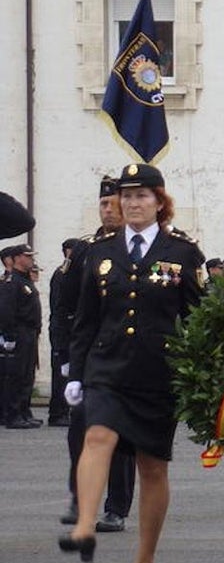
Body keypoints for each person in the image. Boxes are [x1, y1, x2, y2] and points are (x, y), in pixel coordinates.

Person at [59, 163, 205, 563]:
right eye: (126, 196)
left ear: (160, 202)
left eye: (142, 195)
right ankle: (86, 521)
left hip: (158, 374)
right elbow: (86, 319)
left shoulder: (183, 252)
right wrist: (76, 370)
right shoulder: (99, 254)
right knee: (97, 436)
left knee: (152, 467)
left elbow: (197, 318)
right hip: (108, 368)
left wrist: (205, 376)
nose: (132, 203)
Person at [57, 176, 138, 531]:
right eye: (103, 204)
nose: (108, 210)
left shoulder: (141, 248)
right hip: (90, 355)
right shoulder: (86, 250)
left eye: (113, 203)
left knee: (121, 434)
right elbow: (65, 308)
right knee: (79, 430)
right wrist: (64, 358)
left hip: (128, 355)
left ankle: (116, 507)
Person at [1, 244, 42, 428]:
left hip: (30, 332)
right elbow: (7, 311)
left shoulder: (25, 281)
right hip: (19, 331)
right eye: (27, 256)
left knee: (27, 374)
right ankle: (13, 414)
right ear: (17, 258)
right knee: (16, 375)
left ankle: (24, 411)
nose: (31, 259)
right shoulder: (12, 282)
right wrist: (10, 337)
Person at [47, 239, 79, 426]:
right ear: (68, 252)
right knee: (61, 372)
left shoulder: (70, 274)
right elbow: (60, 306)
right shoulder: (62, 274)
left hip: (69, 327)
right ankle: (57, 412)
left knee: (67, 372)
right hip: (63, 328)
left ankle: (63, 410)